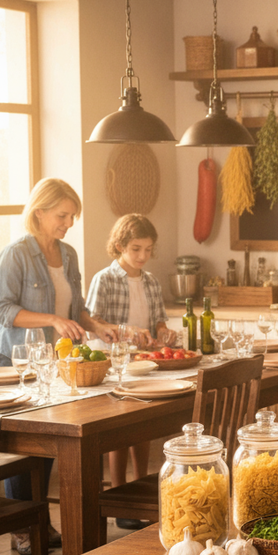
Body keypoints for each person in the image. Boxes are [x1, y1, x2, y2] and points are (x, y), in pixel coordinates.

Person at [0, 177, 116, 555]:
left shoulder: (69, 254)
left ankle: (40, 520)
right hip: (19, 362)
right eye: (62, 215)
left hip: (59, 363)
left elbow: (75, 310)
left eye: (72, 216)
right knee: (28, 444)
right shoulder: (15, 254)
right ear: (39, 211)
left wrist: (98, 325)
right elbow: (2, 310)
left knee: (46, 445)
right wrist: (50, 319)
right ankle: (27, 528)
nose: (68, 223)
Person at [86, 213, 170, 529]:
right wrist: (126, 331)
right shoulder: (104, 280)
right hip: (114, 363)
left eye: (148, 249)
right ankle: (120, 496)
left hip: (143, 364)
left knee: (142, 426)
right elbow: (93, 324)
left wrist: (164, 332)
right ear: (120, 245)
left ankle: (139, 488)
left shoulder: (150, 281)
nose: (143, 256)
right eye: (136, 249)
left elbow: (159, 321)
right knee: (120, 431)